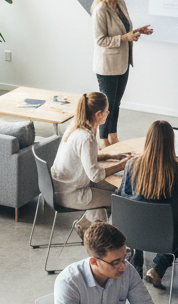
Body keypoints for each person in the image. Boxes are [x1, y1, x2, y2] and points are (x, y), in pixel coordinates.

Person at [117, 119, 178, 289]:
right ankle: (158, 268)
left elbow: (122, 196)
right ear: (172, 142)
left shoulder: (132, 164)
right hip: (164, 236)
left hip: (133, 231)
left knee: (138, 209)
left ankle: (136, 264)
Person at [51, 92, 130, 239]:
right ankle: (105, 241)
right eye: (107, 110)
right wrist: (122, 165)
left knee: (116, 188)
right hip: (70, 193)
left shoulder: (75, 125)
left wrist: (109, 156)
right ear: (99, 114)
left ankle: (86, 225)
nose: (109, 112)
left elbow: (84, 157)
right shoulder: (86, 137)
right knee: (120, 199)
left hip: (59, 187)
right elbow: (95, 175)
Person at [91, 0, 152, 148]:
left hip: (123, 63)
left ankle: (113, 136)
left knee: (116, 103)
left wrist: (138, 31)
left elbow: (124, 30)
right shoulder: (100, 9)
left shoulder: (121, 4)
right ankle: (103, 140)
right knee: (106, 106)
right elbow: (100, 40)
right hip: (107, 66)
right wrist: (125, 38)